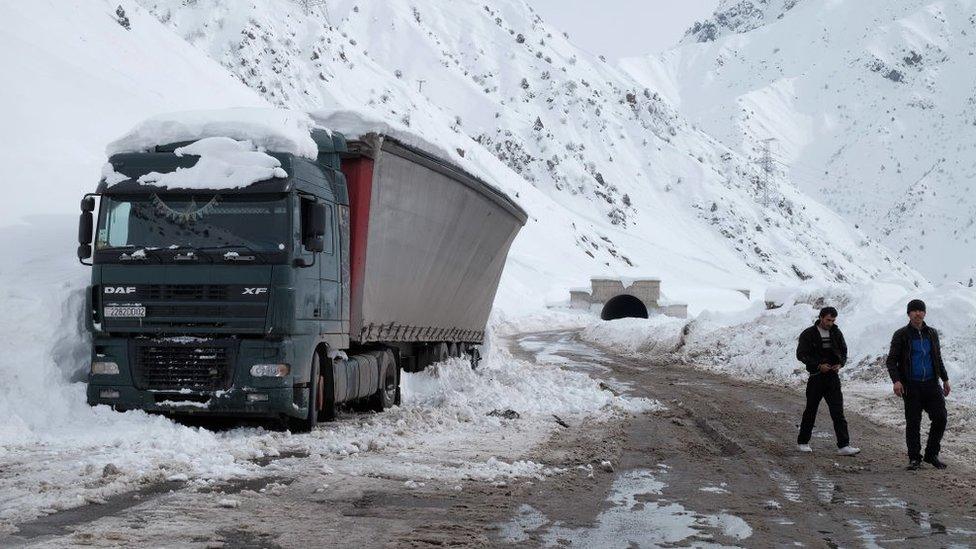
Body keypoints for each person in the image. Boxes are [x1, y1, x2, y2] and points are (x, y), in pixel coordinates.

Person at [886, 299, 950, 470]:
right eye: (913, 311)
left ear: (925, 313)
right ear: (909, 314)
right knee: (913, 422)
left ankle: (931, 454)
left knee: (941, 418)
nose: (917, 313)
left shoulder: (932, 333)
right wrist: (897, 381)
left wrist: (944, 378)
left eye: (920, 310)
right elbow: (891, 361)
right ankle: (914, 458)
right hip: (911, 385)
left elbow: (937, 358)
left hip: (931, 384)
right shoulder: (901, 334)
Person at [795, 307, 860, 456]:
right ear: (821, 318)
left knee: (838, 412)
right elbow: (801, 354)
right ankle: (803, 442)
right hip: (816, 377)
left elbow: (843, 351)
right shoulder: (809, 334)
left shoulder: (836, 332)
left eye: (833, 320)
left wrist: (840, 364)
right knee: (811, 410)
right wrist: (818, 365)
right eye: (828, 320)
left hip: (832, 378)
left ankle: (844, 445)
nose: (830, 323)